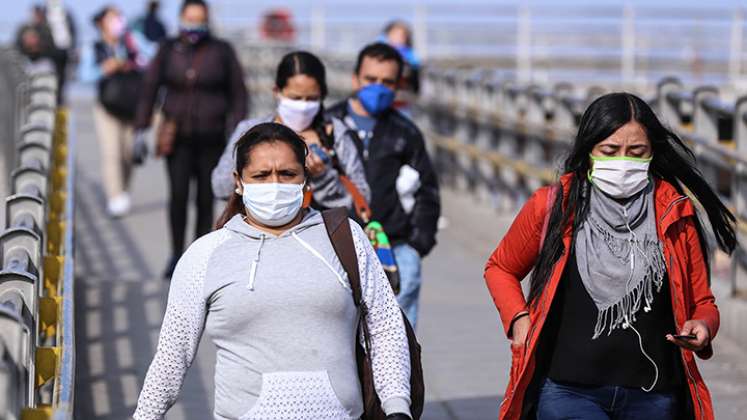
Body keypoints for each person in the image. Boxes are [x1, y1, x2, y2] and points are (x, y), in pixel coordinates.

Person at [133, 122, 413, 420]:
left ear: (306, 180)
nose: (275, 184)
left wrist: (397, 406)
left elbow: (385, 326)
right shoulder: (205, 255)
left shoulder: (346, 238)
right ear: (238, 182)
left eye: (287, 174)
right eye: (261, 175)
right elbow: (172, 356)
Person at [484, 92, 736, 420]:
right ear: (589, 150)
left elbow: (703, 302)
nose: (623, 162)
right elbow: (500, 267)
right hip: (568, 393)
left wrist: (702, 327)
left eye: (636, 152)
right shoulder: (554, 205)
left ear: (652, 153)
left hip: (654, 398)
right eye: (609, 151)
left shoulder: (675, 212)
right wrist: (519, 320)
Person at [326, 42, 440, 329]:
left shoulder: (406, 132)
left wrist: (417, 246)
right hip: (337, 249)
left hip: (397, 249)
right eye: (370, 80)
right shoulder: (327, 125)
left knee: (400, 345)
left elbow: (428, 191)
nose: (378, 88)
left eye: (387, 82)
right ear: (355, 79)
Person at [134, 0, 248, 278]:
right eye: (190, 19)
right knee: (178, 196)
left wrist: (240, 133)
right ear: (180, 19)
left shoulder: (221, 51)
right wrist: (141, 128)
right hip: (178, 138)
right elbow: (150, 88)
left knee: (206, 199)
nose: (194, 26)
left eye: (200, 20)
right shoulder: (168, 49)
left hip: (213, 137)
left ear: (207, 21)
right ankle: (175, 254)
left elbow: (238, 93)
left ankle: (201, 255)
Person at [212, 50, 371, 213]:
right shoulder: (250, 131)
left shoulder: (336, 134)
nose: (303, 106)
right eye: (295, 98)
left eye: (311, 99)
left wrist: (323, 176)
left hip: (321, 231)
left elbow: (362, 198)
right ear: (277, 92)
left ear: (322, 96)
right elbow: (220, 186)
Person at [79, 5, 147, 217]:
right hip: (107, 107)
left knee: (127, 154)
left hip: (131, 106)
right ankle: (115, 196)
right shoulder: (94, 46)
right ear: (102, 23)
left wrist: (133, 50)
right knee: (112, 153)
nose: (118, 22)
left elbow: (151, 58)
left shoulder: (131, 41)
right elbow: (85, 75)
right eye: (112, 18)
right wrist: (105, 68)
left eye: (119, 17)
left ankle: (123, 191)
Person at [382, 20, 421, 113]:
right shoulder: (380, 56)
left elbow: (415, 81)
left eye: (402, 36)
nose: (398, 38)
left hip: (403, 102)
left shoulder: (410, 58)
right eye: (395, 34)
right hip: (384, 102)